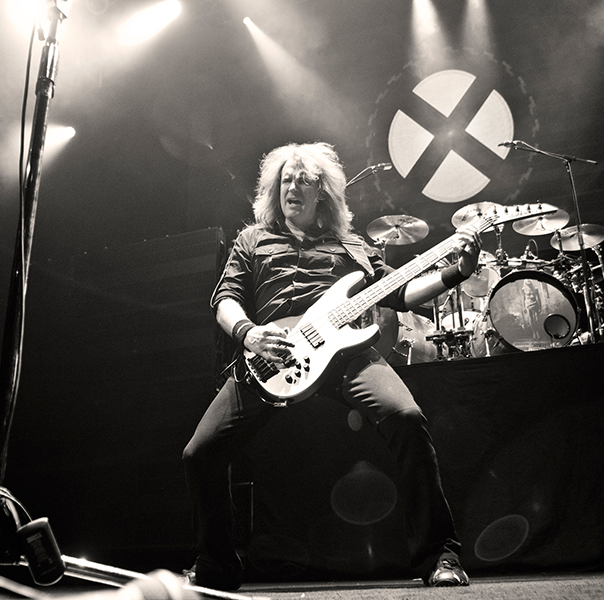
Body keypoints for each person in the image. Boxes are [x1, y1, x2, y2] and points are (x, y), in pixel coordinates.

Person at [182, 142, 481, 590]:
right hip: (272, 356)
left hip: (344, 355)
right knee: (200, 454)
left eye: (303, 181)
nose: (292, 188)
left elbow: (400, 293)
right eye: (286, 180)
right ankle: (217, 566)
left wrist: (458, 271)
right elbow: (224, 299)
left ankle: (440, 554)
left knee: (406, 417)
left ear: (321, 192)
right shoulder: (252, 240)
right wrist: (249, 334)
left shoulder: (353, 246)